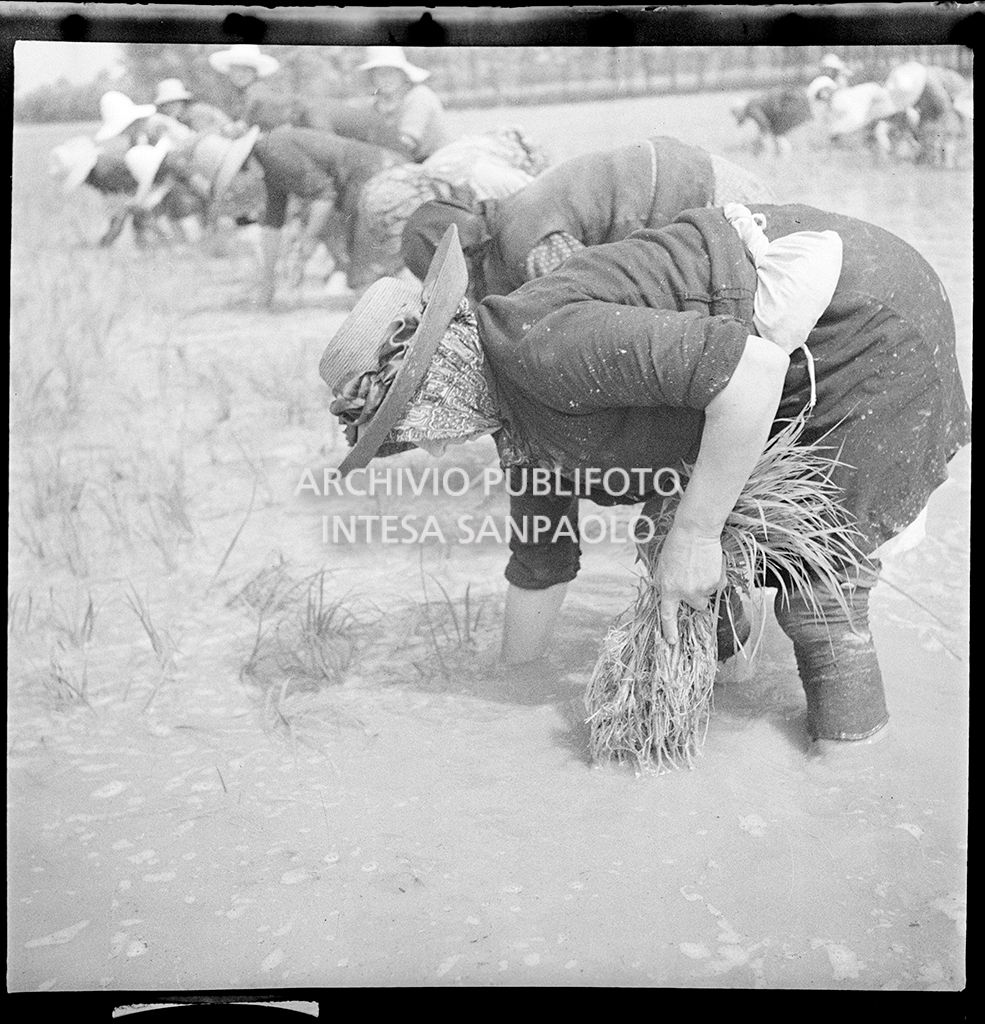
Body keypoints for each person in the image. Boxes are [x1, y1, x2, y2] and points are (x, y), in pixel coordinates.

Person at [318, 207, 970, 753]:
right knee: (703, 559)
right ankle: (742, 734)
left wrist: (694, 534)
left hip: (864, 324)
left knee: (816, 591)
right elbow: (554, 533)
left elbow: (749, 376)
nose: (428, 453)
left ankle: (849, 792)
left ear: (431, 387)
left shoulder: (545, 347)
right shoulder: (510, 385)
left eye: (405, 434)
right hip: (801, 333)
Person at [400, 135, 776, 301]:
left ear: (466, 255)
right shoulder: (509, 212)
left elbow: (596, 291)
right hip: (690, 172)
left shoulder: (525, 245)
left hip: (711, 197)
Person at [245, 125, 404, 305]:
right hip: (368, 178)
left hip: (380, 175)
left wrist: (306, 243)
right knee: (368, 279)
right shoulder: (269, 163)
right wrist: (268, 280)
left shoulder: (275, 151)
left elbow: (324, 198)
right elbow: (272, 223)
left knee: (366, 280)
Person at [358, 46, 453, 161]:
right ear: (372, 77)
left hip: (437, 161)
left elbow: (407, 142)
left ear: (403, 74)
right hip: (408, 162)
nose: (386, 78)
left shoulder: (419, 96)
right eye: (380, 73)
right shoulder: (378, 104)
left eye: (391, 72)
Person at [885, 61, 973, 168]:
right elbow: (920, 117)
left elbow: (946, 108)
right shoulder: (912, 90)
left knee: (951, 131)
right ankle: (932, 158)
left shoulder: (931, 84)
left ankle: (953, 161)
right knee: (928, 129)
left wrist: (947, 134)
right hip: (938, 103)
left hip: (958, 96)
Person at [731, 87, 813, 157]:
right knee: (777, 133)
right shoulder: (753, 104)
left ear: (739, 110)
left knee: (777, 134)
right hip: (795, 106)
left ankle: (784, 156)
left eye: (736, 114)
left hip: (789, 109)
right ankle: (784, 155)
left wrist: (760, 141)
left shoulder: (751, 107)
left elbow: (764, 124)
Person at [153, 78, 234, 135]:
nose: (169, 108)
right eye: (165, 105)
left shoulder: (197, 112)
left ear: (182, 101)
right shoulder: (179, 120)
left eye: (173, 103)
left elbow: (203, 136)